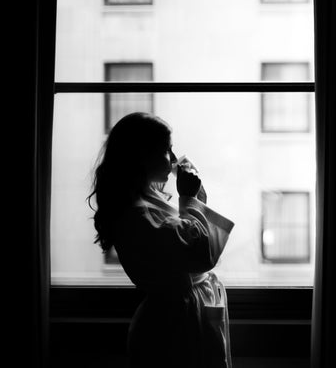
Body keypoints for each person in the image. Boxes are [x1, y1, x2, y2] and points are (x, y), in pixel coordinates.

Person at [87, 112, 235, 368]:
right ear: (142, 156)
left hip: (179, 320)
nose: (174, 159)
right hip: (170, 331)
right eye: (167, 149)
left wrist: (193, 196)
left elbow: (190, 237)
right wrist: (189, 199)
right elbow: (199, 253)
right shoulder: (137, 214)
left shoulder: (147, 202)